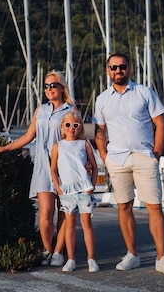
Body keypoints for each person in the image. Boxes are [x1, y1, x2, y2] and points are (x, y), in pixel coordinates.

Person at [93, 53, 164, 276]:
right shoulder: (102, 99)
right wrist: (104, 156)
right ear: (108, 70)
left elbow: (161, 122)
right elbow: (100, 130)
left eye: (122, 67)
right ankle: (132, 254)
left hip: (144, 156)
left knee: (154, 207)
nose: (118, 71)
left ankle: (162, 258)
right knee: (124, 206)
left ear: (128, 68)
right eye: (113, 68)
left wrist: (157, 152)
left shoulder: (144, 92)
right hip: (117, 159)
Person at [0, 70, 74, 267]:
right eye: (46, 86)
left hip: (64, 166)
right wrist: (5, 148)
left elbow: (76, 139)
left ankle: (58, 252)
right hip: (42, 167)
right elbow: (28, 136)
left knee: (64, 211)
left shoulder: (71, 111)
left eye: (53, 85)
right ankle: (47, 250)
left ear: (62, 87)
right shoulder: (41, 110)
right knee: (45, 212)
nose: (49, 89)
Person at [50, 111, 99, 272]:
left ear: (80, 128)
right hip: (67, 192)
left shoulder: (84, 144)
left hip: (84, 190)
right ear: (63, 127)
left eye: (75, 125)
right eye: (68, 125)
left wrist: (92, 185)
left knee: (87, 224)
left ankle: (91, 258)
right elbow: (53, 170)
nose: (72, 128)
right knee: (69, 225)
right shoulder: (58, 145)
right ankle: (70, 259)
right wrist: (59, 189)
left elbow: (95, 165)